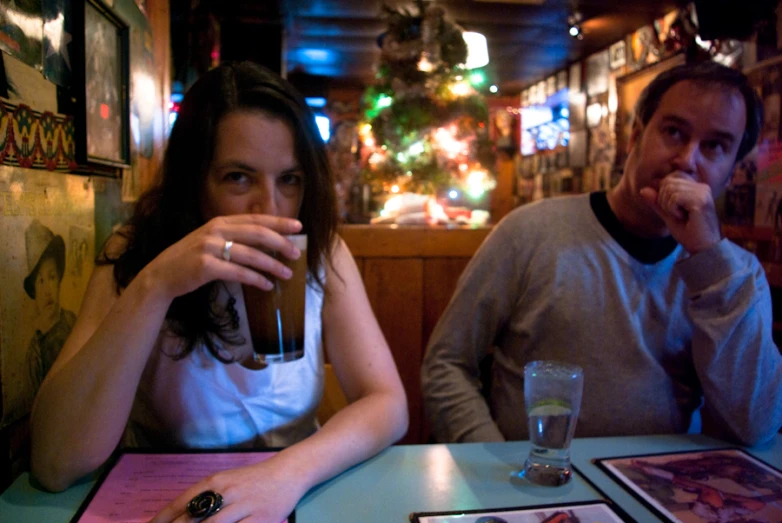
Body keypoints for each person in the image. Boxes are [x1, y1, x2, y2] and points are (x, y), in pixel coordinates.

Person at [29, 62, 408, 522]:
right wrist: (156, 283)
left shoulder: (322, 253)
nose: (269, 208)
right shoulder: (135, 252)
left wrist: (285, 476)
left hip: (295, 494)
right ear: (195, 181)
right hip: (168, 500)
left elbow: (387, 403)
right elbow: (55, 463)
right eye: (239, 178)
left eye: (289, 179)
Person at [421, 60, 782, 447]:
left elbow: (756, 426)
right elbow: (446, 363)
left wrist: (708, 258)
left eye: (714, 146)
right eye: (674, 132)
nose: (687, 160)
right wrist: (488, 460)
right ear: (635, 137)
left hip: (664, 489)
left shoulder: (735, 275)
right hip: (535, 485)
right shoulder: (529, 232)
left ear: (730, 172)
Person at [23, 219, 76, 396]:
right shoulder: (35, 353)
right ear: (35, 292)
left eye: (52, 277)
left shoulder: (71, 321)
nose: (47, 290)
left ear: (59, 280)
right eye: (40, 281)